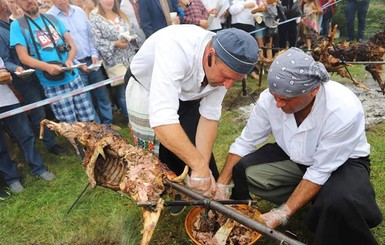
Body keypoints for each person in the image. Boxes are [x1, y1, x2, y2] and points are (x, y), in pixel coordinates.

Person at [215, 47, 383, 244]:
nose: (277, 104)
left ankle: (322, 201)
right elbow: (246, 142)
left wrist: (282, 213)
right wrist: (221, 184)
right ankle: (309, 198)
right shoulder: (270, 99)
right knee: (243, 169)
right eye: (274, 95)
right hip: (294, 156)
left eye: (285, 99)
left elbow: (320, 170)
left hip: (343, 163)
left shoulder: (342, 109)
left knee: (338, 202)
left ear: (313, 91)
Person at [125, 25, 259, 205]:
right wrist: (198, 166)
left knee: (199, 154)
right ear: (210, 55)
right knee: (163, 150)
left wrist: (203, 167)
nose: (228, 86)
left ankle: (202, 196)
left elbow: (209, 117)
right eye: (226, 77)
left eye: (235, 80)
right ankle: (172, 192)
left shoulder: (224, 69)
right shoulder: (175, 48)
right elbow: (163, 120)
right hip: (147, 86)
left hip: (188, 92)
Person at [10, 0, 95, 123]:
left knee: (88, 118)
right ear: (18, 3)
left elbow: (71, 43)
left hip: (73, 77)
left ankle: (93, 142)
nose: (29, 1)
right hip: (52, 83)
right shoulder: (17, 25)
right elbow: (23, 57)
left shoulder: (52, 18)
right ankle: (77, 143)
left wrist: (69, 60)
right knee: (69, 125)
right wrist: (47, 67)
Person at [0, 0, 66, 155]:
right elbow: (5, 60)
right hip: (27, 79)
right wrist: (16, 68)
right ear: (2, 7)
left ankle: (63, 133)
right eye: (8, 2)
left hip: (41, 71)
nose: (12, 4)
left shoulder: (14, 23)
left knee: (53, 104)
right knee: (38, 111)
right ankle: (50, 144)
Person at [47, 0, 115, 127]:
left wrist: (95, 54)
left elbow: (90, 35)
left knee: (102, 95)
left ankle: (108, 124)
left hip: (92, 60)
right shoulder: (50, 18)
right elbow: (58, 46)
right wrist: (76, 63)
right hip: (73, 66)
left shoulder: (78, 11)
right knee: (86, 101)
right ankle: (98, 129)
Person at [0, 57, 56, 194]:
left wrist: (6, 77)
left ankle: (38, 168)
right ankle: (12, 179)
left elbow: (2, 70)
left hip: (7, 100)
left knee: (25, 135)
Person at [89, 0, 140, 124]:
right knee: (122, 91)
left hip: (130, 57)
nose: (108, 1)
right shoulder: (95, 17)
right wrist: (114, 44)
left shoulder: (121, 14)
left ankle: (139, 113)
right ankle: (130, 119)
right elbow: (97, 41)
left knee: (134, 88)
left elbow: (133, 31)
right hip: (115, 61)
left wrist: (131, 39)